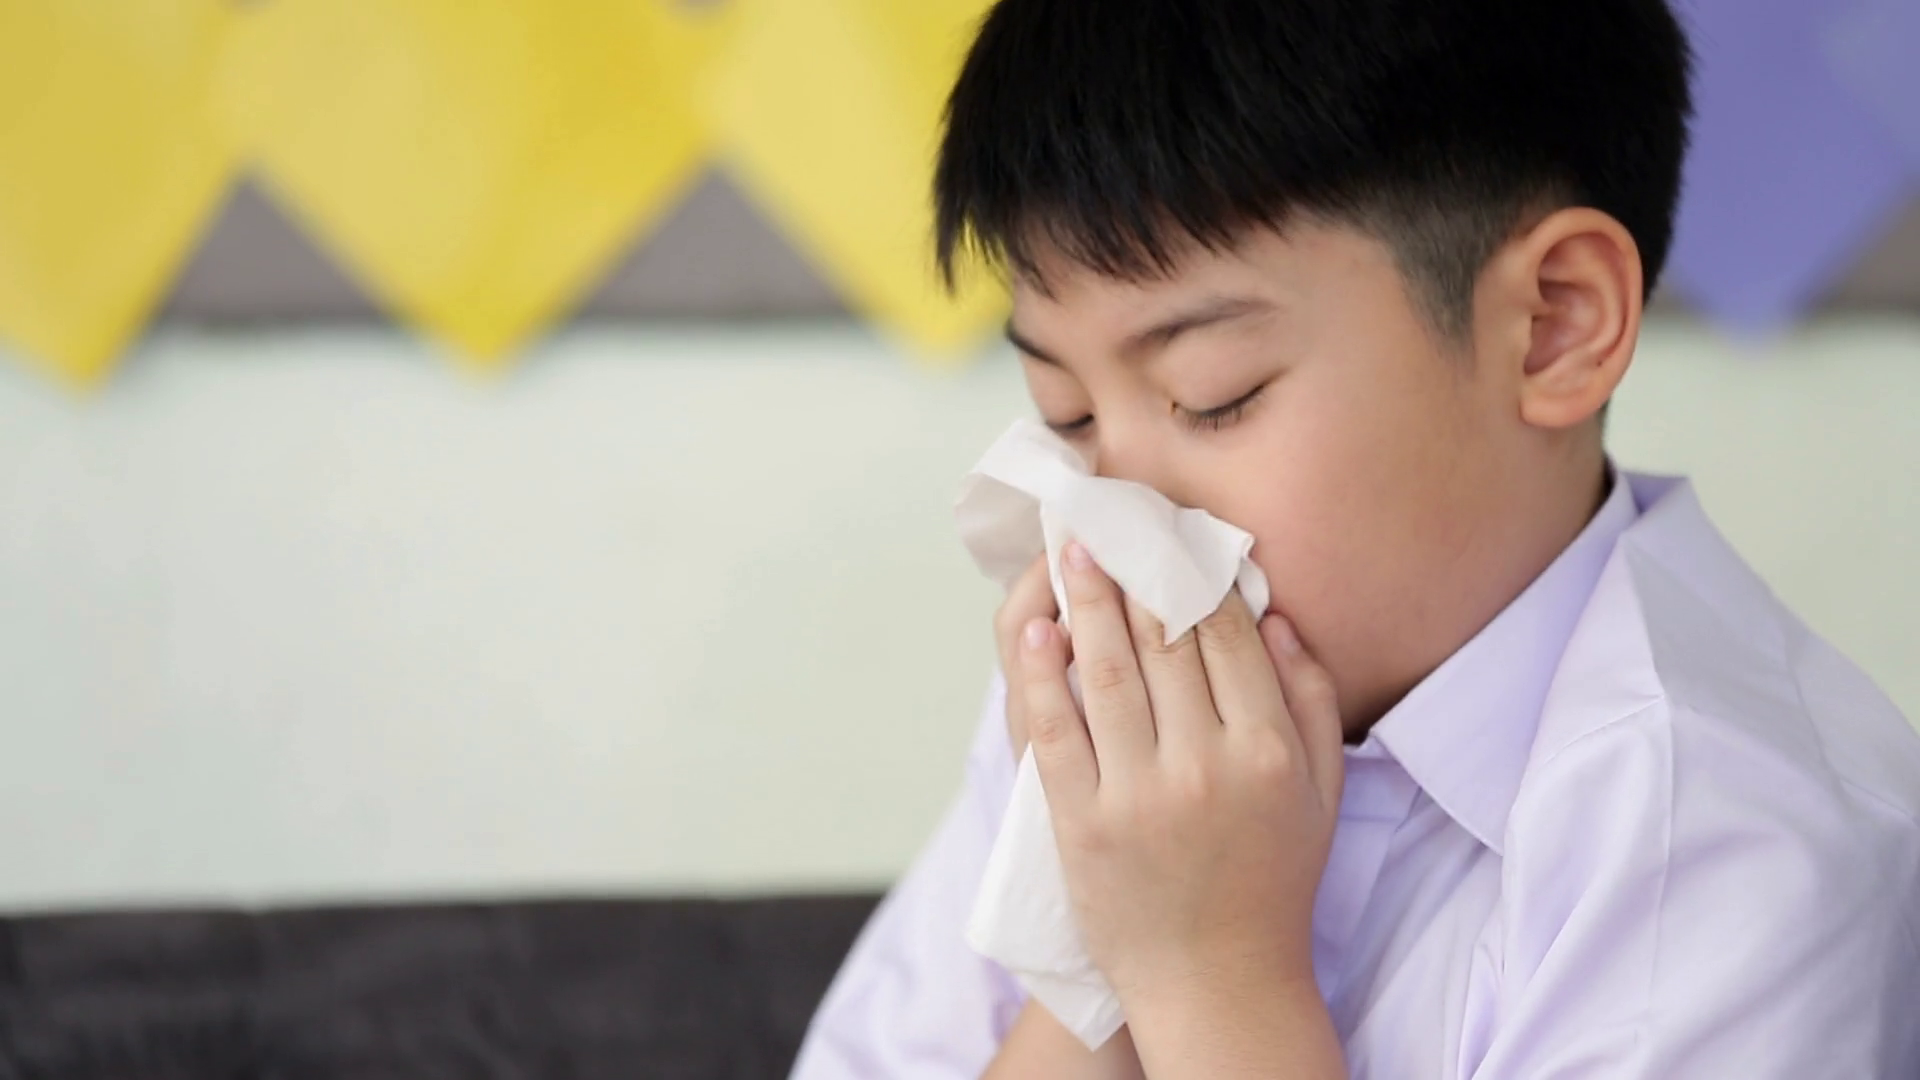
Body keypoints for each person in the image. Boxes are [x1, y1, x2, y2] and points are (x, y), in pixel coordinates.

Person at [790, 0, 1920, 1076]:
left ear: (1554, 328)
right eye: (1066, 416)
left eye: (1212, 395)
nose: (1118, 514)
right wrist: (1095, 952)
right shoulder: (1107, 713)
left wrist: (1205, 972)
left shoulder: (1731, 850)